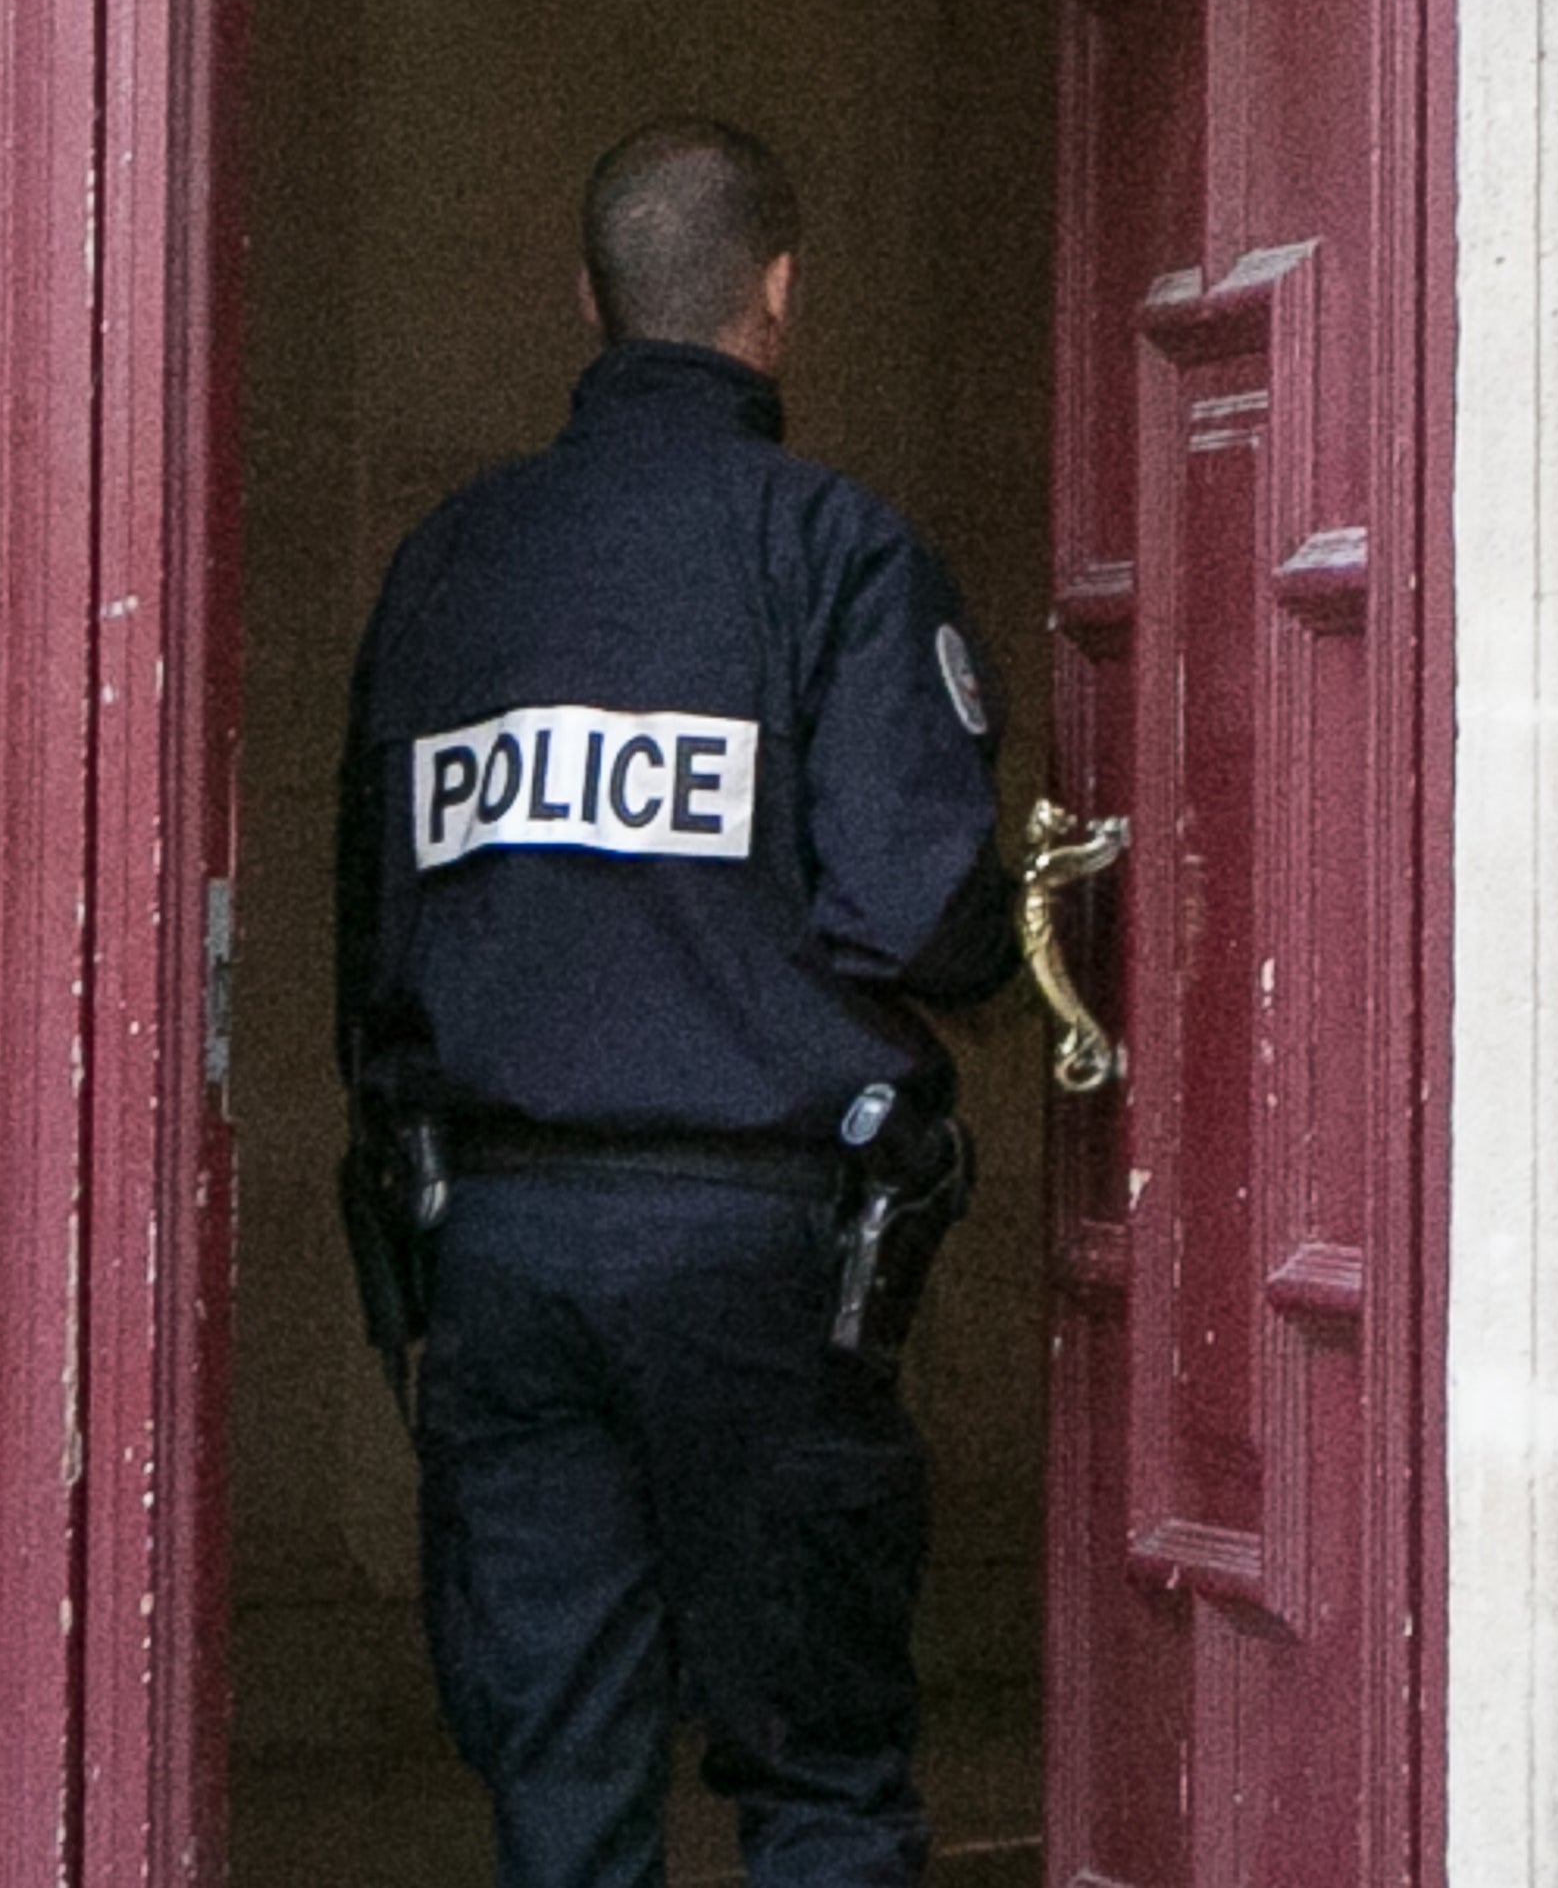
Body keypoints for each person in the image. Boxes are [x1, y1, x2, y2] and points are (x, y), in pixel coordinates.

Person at [335, 116, 1018, 1888]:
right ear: (777, 298)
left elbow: (372, 929)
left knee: (558, 1786)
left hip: (495, 1246)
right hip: (760, 1258)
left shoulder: (447, 565)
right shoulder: (835, 553)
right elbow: (920, 907)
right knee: (819, 1778)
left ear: (586, 301)